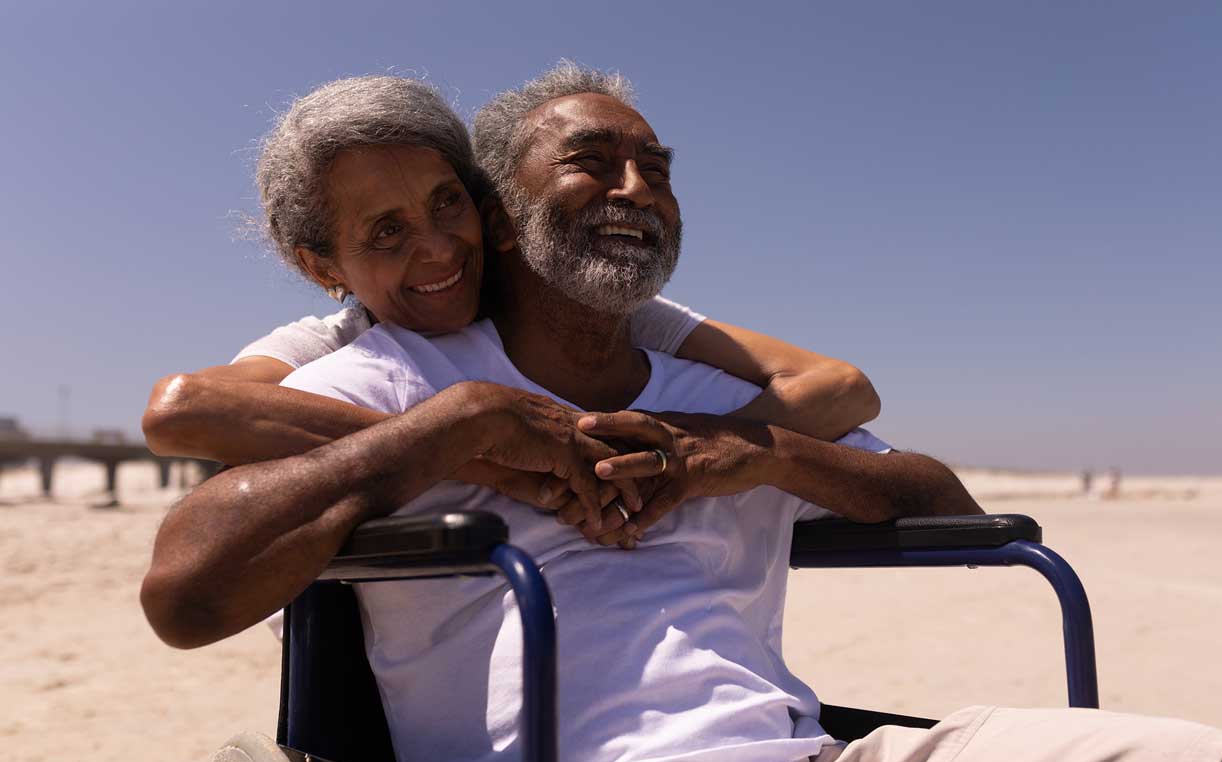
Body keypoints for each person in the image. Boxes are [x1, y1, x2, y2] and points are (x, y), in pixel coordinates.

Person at [142, 64, 1222, 762]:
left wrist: (746, 455)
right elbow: (185, 583)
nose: (635, 187)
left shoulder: (716, 390)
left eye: (655, 166)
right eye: (593, 162)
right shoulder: (401, 375)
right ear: (502, 213)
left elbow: (945, 501)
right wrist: (457, 430)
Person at [142, 74, 883, 546]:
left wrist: (668, 449)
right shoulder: (341, 341)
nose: (438, 251)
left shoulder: (574, 307)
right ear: (321, 266)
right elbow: (183, 410)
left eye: (447, 205)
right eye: (387, 232)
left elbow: (840, 385)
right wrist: (482, 452)